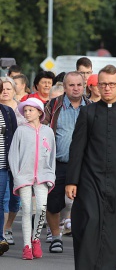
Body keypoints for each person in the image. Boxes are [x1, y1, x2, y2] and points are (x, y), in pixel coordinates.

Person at [65, 64, 116, 270]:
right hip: (90, 179)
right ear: (96, 86)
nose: (107, 88)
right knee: (89, 221)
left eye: (112, 84)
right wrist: (71, 180)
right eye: (103, 84)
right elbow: (77, 149)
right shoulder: (88, 112)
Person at [43, 71, 90, 254]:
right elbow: (42, 130)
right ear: (64, 87)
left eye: (79, 84)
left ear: (83, 86)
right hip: (58, 163)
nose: (76, 88)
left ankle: (85, 238)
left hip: (85, 165)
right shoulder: (54, 105)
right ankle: (56, 237)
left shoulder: (92, 106)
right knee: (53, 202)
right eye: (71, 85)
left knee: (86, 204)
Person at [8, 98, 56, 260]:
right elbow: (13, 154)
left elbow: (52, 155)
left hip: (43, 176)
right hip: (24, 177)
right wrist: (17, 175)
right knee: (27, 210)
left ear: (39, 112)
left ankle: (36, 239)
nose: (27, 113)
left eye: (30, 110)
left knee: (42, 209)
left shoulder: (48, 132)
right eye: (25, 110)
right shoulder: (21, 131)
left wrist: (51, 175)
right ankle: (26, 246)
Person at [0, 79, 17, 256]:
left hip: (2, 166)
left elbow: (11, 138)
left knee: (1, 202)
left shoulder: (7, 111)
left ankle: (0, 238)